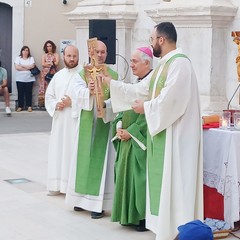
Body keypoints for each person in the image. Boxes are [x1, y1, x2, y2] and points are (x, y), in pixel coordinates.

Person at [103, 22, 203, 239]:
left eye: (151, 39)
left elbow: (172, 101)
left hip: (177, 137)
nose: (151, 43)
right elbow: (142, 90)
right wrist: (113, 84)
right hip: (165, 134)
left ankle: (180, 227)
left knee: (177, 181)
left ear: (161, 40)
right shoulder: (164, 66)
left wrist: (145, 107)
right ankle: (165, 225)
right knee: (167, 182)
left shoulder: (180, 64)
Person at [66, 40, 119, 219]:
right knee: (83, 161)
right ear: (91, 53)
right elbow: (76, 93)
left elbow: (118, 99)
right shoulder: (83, 73)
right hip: (87, 123)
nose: (100, 55)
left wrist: (106, 105)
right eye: (97, 52)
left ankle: (98, 204)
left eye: (103, 52)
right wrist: (88, 91)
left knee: (102, 163)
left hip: (104, 124)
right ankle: (80, 200)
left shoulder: (113, 75)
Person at [111, 47, 153, 231]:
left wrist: (133, 131)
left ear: (147, 63)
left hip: (139, 140)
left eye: (135, 61)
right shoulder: (135, 85)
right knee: (124, 176)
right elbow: (122, 108)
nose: (132, 65)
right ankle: (126, 216)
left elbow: (151, 113)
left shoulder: (152, 86)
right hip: (126, 138)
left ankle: (141, 217)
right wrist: (119, 127)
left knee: (139, 178)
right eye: (131, 61)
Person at [45, 45, 82, 196]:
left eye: (74, 56)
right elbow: (49, 96)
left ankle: (69, 187)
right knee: (58, 150)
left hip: (74, 120)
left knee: (70, 152)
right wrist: (56, 105)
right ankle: (55, 184)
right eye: (69, 56)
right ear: (64, 56)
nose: (72, 59)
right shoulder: (58, 75)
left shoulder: (83, 74)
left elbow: (88, 98)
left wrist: (71, 103)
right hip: (60, 120)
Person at [14, 46, 36, 112]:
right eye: (24, 50)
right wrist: (27, 68)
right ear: (21, 51)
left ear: (28, 52)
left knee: (28, 93)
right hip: (20, 79)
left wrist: (22, 66)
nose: (25, 52)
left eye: (27, 50)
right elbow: (17, 67)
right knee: (20, 93)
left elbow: (32, 66)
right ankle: (20, 106)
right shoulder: (18, 58)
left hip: (29, 79)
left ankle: (29, 106)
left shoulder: (31, 58)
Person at [38, 40, 60, 108]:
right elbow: (43, 64)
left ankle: (52, 103)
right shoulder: (44, 55)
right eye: (47, 46)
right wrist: (51, 63)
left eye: (50, 46)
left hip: (53, 73)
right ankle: (44, 104)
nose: (49, 48)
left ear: (52, 47)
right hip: (44, 74)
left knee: (52, 87)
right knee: (44, 88)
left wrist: (47, 63)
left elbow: (56, 63)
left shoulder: (56, 55)